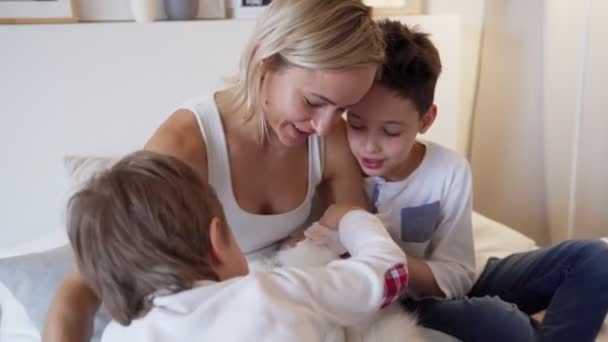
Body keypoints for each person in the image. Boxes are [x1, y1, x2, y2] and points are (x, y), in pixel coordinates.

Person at [43, 1, 385, 341]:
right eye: (312, 102)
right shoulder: (185, 146)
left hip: (292, 306)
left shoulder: (331, 138)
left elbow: (353, 242)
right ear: (263, 60)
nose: (324, 126)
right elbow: (82, 288)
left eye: (342, 108)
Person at [345, 19, 608, 342]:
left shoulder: (449, 170)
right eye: (356, 125)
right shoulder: (335, 163)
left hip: (445, 287)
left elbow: (457, 275)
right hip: (401, 305)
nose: (369, 145)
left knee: (595, 257)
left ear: (426, 120)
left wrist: (386, 254)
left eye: (390, 131)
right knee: (504, 323)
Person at [67, 151, 409, 342]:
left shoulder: (119, 337)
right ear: (218, 240)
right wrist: (352, 218)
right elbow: (390, 274)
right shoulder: (270, 292)